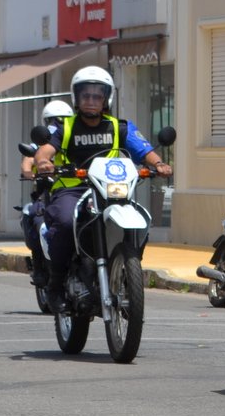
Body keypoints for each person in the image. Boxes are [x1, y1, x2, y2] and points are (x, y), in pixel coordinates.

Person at [32, 66, 173, 311]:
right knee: (65, 222)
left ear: (106, 98)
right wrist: (43, 162)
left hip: (109, 189)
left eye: (97, 95)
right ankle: (55, 285)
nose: (91, 100)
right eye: (85, 95)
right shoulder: (65, 127)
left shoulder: (119, 127)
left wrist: (158, 164)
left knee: (140, 218)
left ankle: (128, 270)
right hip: (73, 190)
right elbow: (44, 151)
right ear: (76, 97)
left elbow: (144, 151)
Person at [19, 99, 74, 287]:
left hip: (76, 190)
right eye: (54, 120)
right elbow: (30, 158)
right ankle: (39, 267)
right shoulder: (46, 138)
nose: (58, 123)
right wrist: (31, 170)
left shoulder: (74, 134)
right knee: (35, 216)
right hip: (48, 192)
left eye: (64, 119)